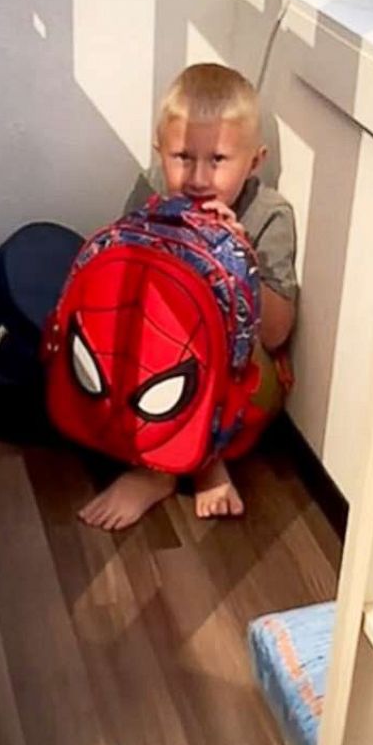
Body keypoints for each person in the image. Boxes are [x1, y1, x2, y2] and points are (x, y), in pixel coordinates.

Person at [77, 62, 299, 531]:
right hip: (163, 363)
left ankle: (161, 471)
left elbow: (277, 334)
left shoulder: (269, 213)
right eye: (182, 157)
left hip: (239, 377)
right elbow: (124, 288)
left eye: (217, 160)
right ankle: (197, 463)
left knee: (211, 353)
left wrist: (242, 256)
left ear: (253, 161)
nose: (197, 178)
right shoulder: (154, 188)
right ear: (160, 153)